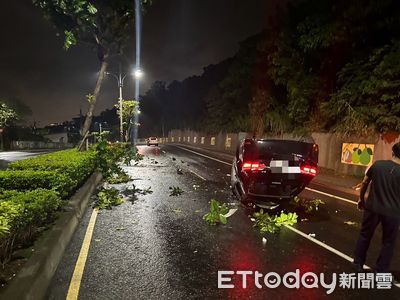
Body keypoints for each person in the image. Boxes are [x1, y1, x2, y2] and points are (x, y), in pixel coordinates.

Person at [353, 142, 400, 273]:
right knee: (388, 242)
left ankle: (358, 263)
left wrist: (361, 199)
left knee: (365, 235)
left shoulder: (378, 165)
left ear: (392, 153)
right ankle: (380, 269)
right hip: (393, 212)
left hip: (373, 208)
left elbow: (365, 183)